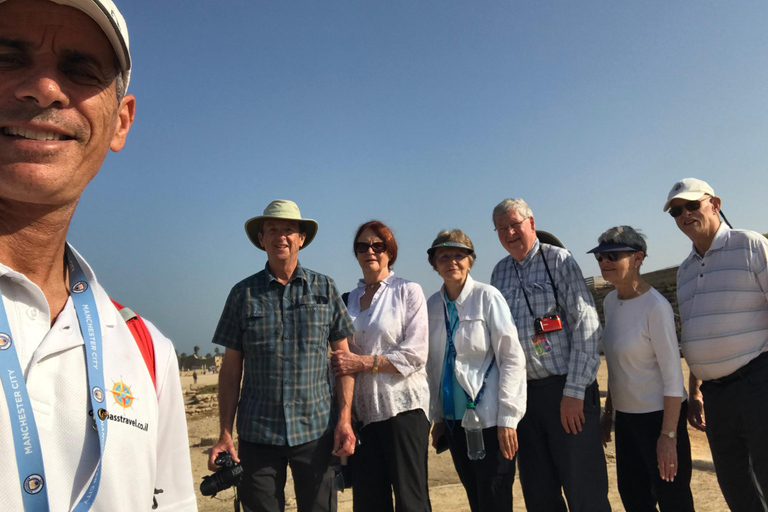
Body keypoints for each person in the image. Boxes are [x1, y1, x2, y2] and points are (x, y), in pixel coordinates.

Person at [0, 0, 197, 510]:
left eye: (80, 69)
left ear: (120, 122)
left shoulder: (148, 354)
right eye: (6, 58)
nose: (43, 87)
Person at [210, 199, 356, 512]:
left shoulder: (325, 288)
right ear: (261, 239)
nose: (281, 236)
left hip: (316, 431)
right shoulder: (242, 294)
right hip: (258, 433)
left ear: (301, 238)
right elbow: (231, 370)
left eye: (289, 229)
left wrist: (344, 420)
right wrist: (224, 433)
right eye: (272, 229)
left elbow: (343, 361)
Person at [490, 198, 611, 512]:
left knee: (585, 490)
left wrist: (574, 392)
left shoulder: (558, 260)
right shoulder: (499, 273)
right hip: (525, 398)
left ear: (531, 223)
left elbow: (586, 324)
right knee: (539, 492)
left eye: (515, 224)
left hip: (566, 391)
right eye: (502, 228)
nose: (510, 232)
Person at [665, 178, 768, 512]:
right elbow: (697, 334)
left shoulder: (750, 245)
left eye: (692, 205)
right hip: (716, 397)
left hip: (758, 385)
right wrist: (695, 390)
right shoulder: (684, 272)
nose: (684, 215)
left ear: (715, 204)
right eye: (677, 211)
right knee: (736, 487)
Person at [589, 226, 695, 512]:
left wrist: (668, 436)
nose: (604, 262)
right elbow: (617, 368)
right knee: (634, 498)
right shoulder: (610, 302)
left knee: (673, 499)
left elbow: (674, 378)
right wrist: (609, 414)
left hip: (659, 418)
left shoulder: (655, 307)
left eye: (613, 255)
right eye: (600, 257)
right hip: (626, 420)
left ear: (638, 258)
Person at [330, 220, 431, 512]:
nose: (370, 251)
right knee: (369, 503)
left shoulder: (408, 291)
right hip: (362, 416)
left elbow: (415, 354)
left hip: (402, 410)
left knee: (411, 501)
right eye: (363, 246)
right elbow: (338, 357)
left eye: (378, 245)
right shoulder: (346, 301)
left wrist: (362, 362)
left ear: (390, 252)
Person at [425, 229, 526, 512]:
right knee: (476, 499)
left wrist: (508, 417)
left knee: (495, 498)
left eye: (460, 255)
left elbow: (512, 358)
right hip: (456, 422)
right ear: (434, 264)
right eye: (444, 256)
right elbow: (434, 367)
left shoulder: (488, 297)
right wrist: (438, 418)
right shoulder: (432, 306)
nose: (452, 261)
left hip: (492, 420)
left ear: (470, 261)